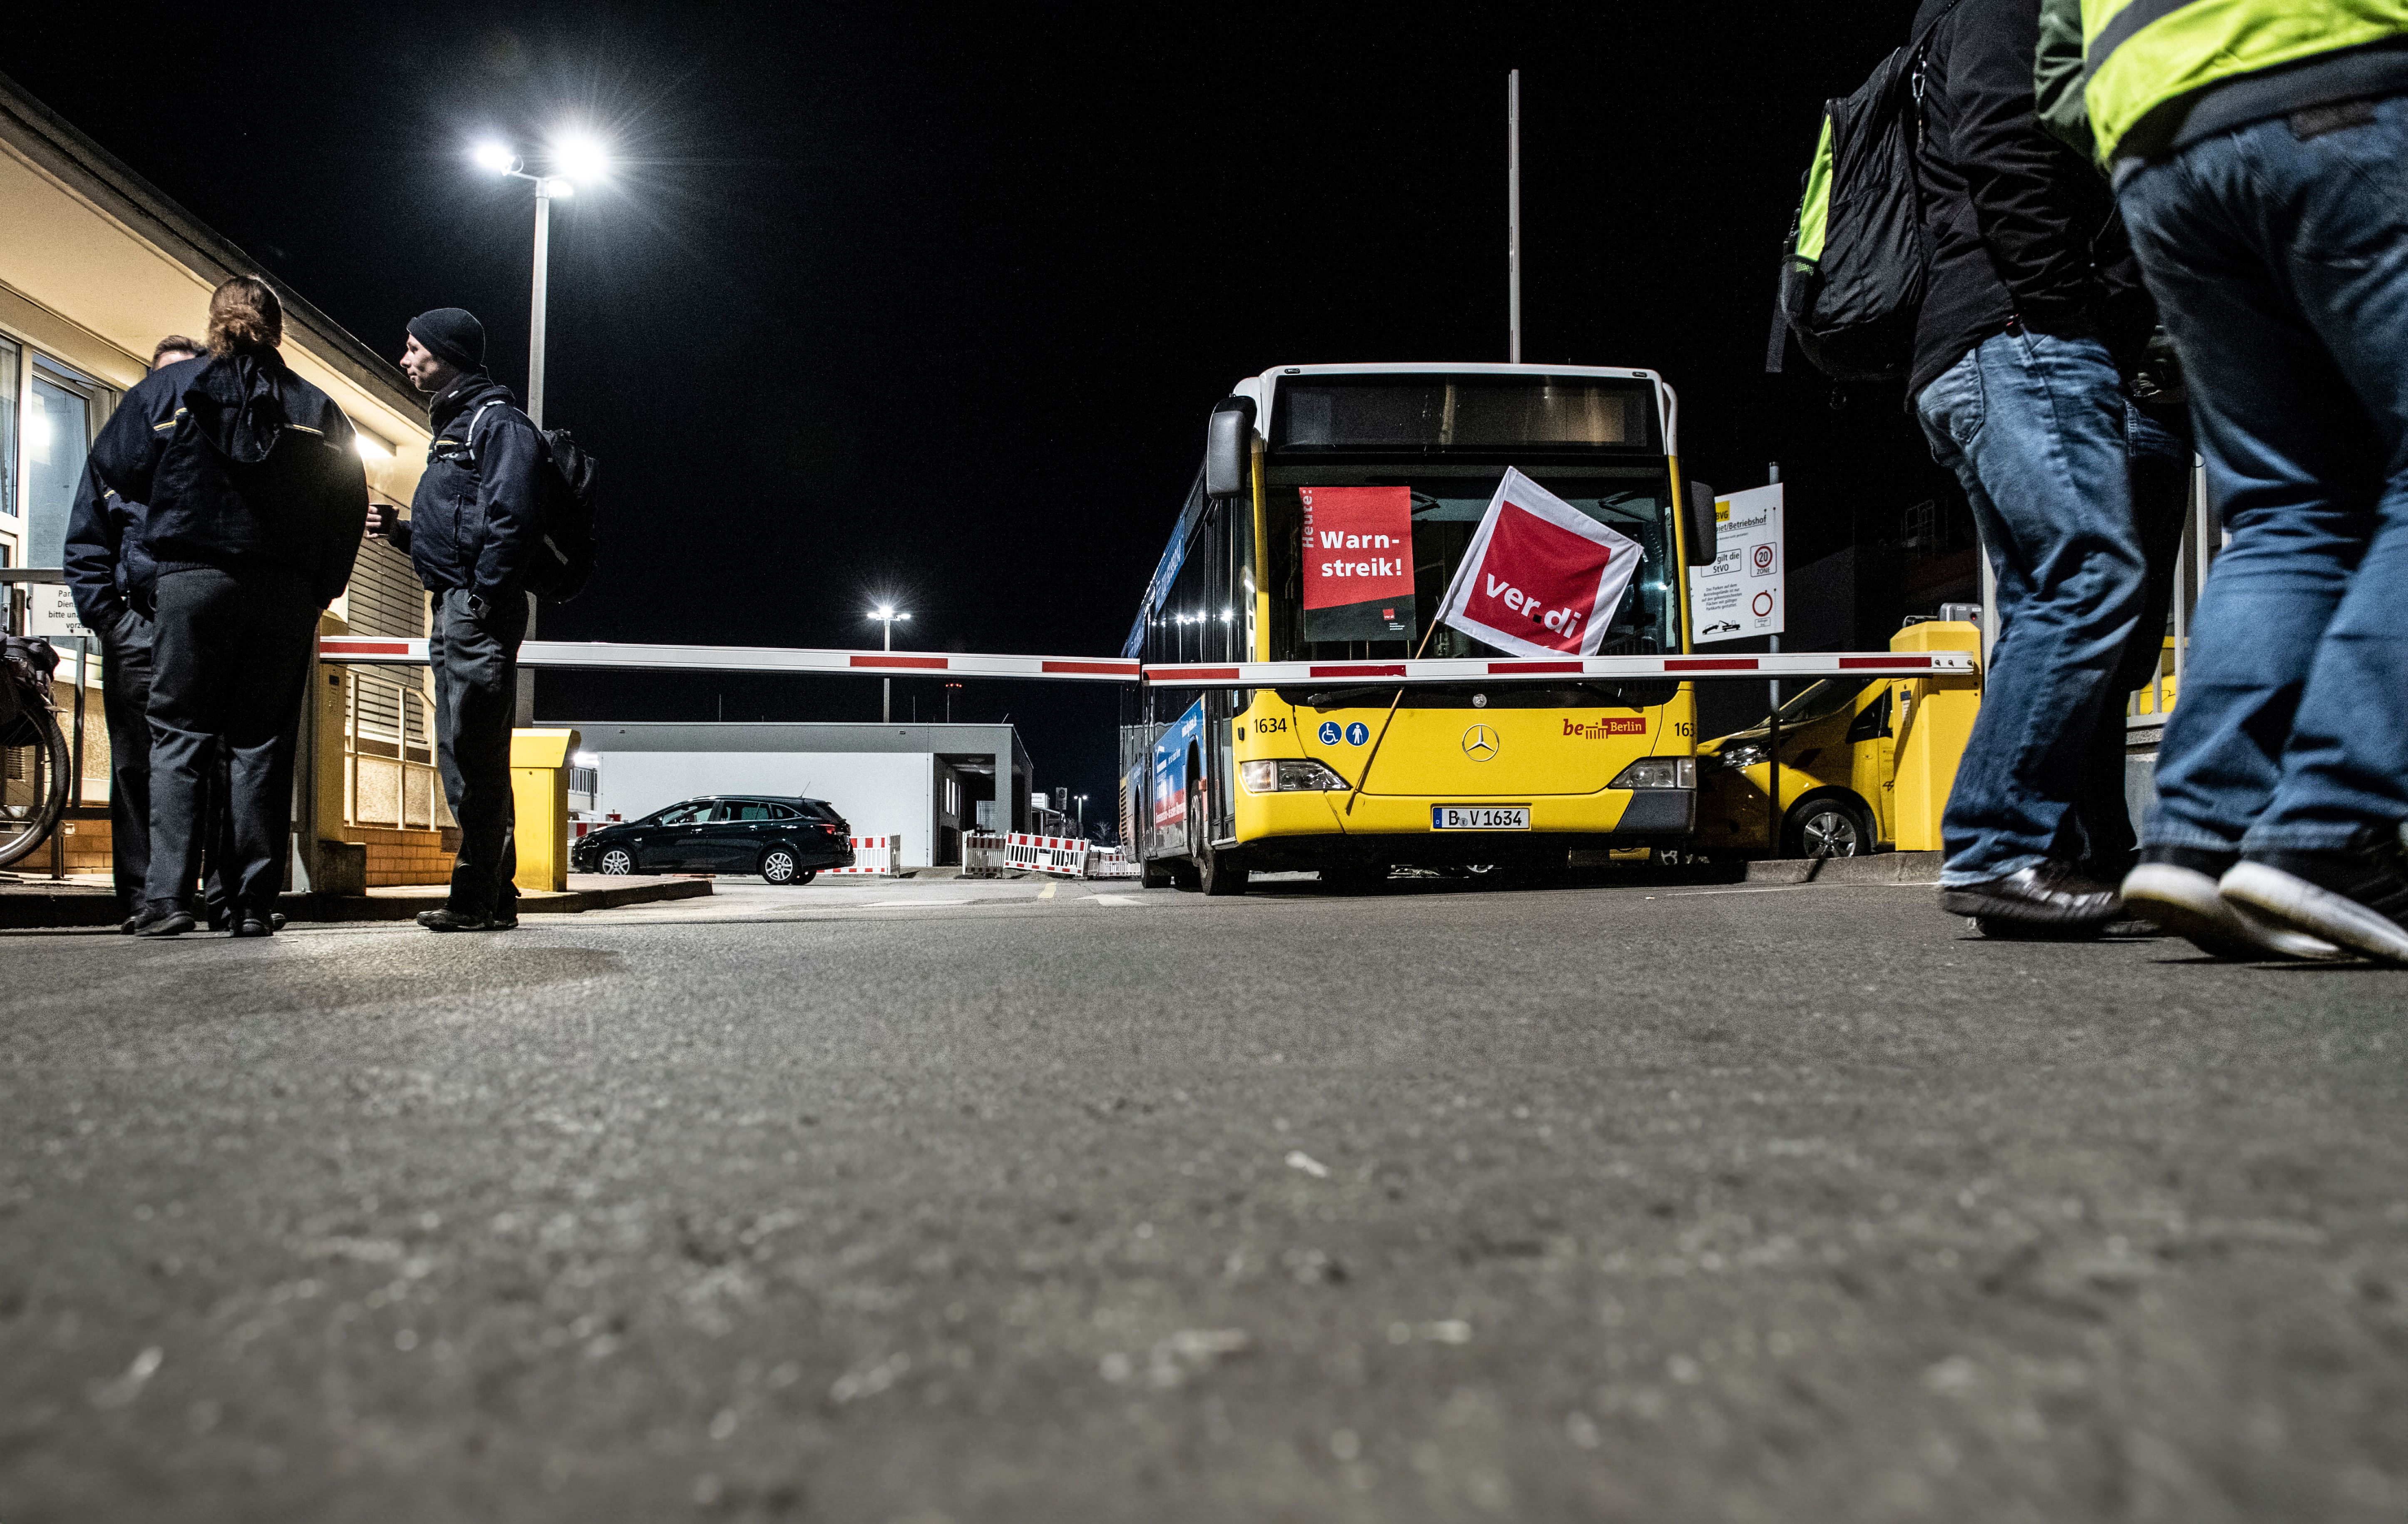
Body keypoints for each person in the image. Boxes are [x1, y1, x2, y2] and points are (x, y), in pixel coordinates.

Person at [2088, 4, 2408, 964]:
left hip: (2151, 129)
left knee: (2284, 508)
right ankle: (2333, 825)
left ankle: (2201, 828)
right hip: (2333, 68)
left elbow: (2056, 55)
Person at [1906, 0, 2185, 936]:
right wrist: (2067, 312)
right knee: (2092, 576)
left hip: (2001, 339)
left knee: (2048, 602)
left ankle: (2066, 850)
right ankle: (1993, 844)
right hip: (2020, 335)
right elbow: (1997, 138)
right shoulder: (1999, 4)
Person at [77, 277, 366, 937]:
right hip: (283, 592)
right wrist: (318, 587)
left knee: (178, 736)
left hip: (190, 583)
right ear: (277, 328)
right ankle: (250, 903)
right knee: (260, 743)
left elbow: (113, 470)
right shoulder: (315, 408)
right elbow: (348, 506)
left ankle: (168, 898)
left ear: (213, 323)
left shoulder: (166, 394)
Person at [367, 308, 544, 932]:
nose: (406, 358)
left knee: (473, 752)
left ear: (449, 354)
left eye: (416, 348)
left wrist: (483, 598)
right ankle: (493, 897)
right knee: (464, 754)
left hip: (474, 607)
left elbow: (512, 518)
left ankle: (475, 899)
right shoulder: (459, 425)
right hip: (455, 602)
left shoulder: (498, 424)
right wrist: (402, 535)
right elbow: (462, 527)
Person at [64, 335, 202, 929]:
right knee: (135, 766)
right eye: (158, 384)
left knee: (202, 759)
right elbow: (86, 541)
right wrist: (111, 620)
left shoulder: (205, 457)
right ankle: (144, 898)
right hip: (138, 627)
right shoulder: (115, 457)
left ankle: (187, 892)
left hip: (197, 626)